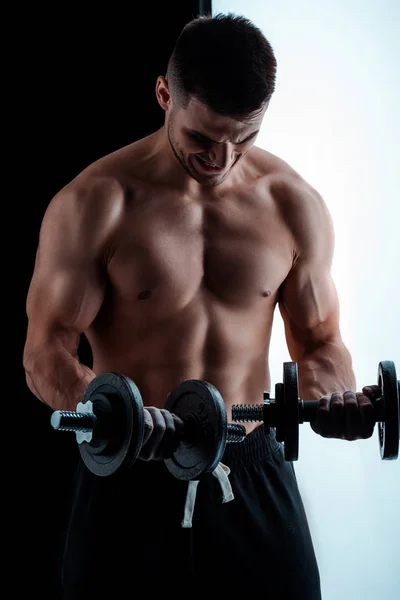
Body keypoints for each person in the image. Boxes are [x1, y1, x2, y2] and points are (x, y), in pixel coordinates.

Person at [23, 12, 377, 600]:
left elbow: (318, 343)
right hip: (130, 470)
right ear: (165, 94)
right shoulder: (95, 203)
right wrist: (102, 407)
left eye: (245, 138)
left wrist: (330, 398)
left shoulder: (292, 204)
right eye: (203, 139)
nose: (223, 158)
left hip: (253, 466)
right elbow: (45, 350)